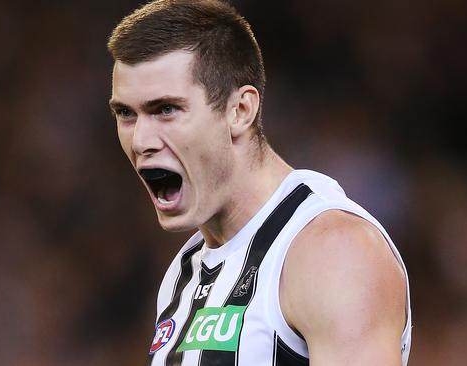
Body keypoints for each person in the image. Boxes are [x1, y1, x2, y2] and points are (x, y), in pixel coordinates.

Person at [107, 1, 412, 365]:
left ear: (240, 111)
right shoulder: (184, 274)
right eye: (126, 113)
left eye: (166, 109)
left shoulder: (332, 251)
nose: (141, 140)